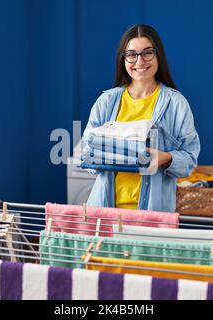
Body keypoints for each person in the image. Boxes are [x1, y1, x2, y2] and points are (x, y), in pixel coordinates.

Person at [83, 24, 200, 213]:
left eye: (147, 53)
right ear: (123, 59)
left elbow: (190, 159)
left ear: (158, 55)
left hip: (153, 214)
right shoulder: (106, 101)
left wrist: (164, 158)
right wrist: (103, 153)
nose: (139, 61)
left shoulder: (176, 103)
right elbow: (87, 153)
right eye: (131, 54)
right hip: (104, 211)